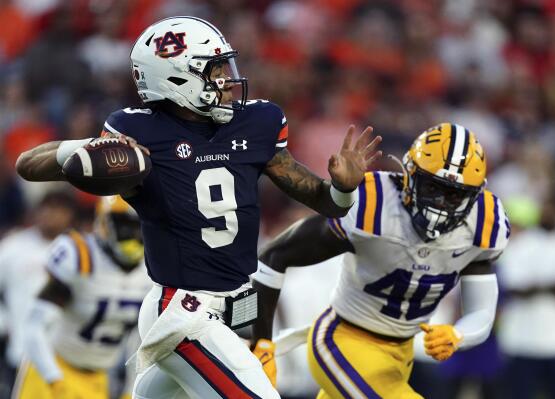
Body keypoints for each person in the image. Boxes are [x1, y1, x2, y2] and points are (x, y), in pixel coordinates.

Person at [14, 16, 381, 398]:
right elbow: (27, 165)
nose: (227, 80)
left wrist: (342, 188)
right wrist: (86, 150)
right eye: (215, 69)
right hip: (184, 311)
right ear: (176, 79)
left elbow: (326, 202)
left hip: (236, 304)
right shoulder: (137, 133)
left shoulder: (256, 122)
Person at [252, 123, 510, 398]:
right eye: (432, 188)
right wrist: (262, 342)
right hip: (342, 341)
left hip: (401, 355)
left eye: (454, 195)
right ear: (409, 174)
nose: (441, 204)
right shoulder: (373, 204)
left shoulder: (484, 224)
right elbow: (275, 255)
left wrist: (458, 335)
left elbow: (481, 312)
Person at [12, 195, 151, 399]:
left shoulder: (150, 270)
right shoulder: (80, 256)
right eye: (125, 225)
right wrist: (54, 379)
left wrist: (131, 388)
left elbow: (142, 339)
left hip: (97, 378)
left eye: (139, 226)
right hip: (51, 367)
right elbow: (34, 325)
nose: (133, 234)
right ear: (105, 224)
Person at [497, 197, 555, 399]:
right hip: (523, 339)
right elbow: (513, 287)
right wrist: (553, 285)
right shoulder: (521, 244)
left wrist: (542, 285)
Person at [0, 191, 77, 395]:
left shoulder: (80, 252)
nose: (51, 215)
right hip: (20, 352)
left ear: (69, 215)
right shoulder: (13, 246)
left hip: (66, 359)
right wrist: (3, 321)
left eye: (59, 209)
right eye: (47, 208)